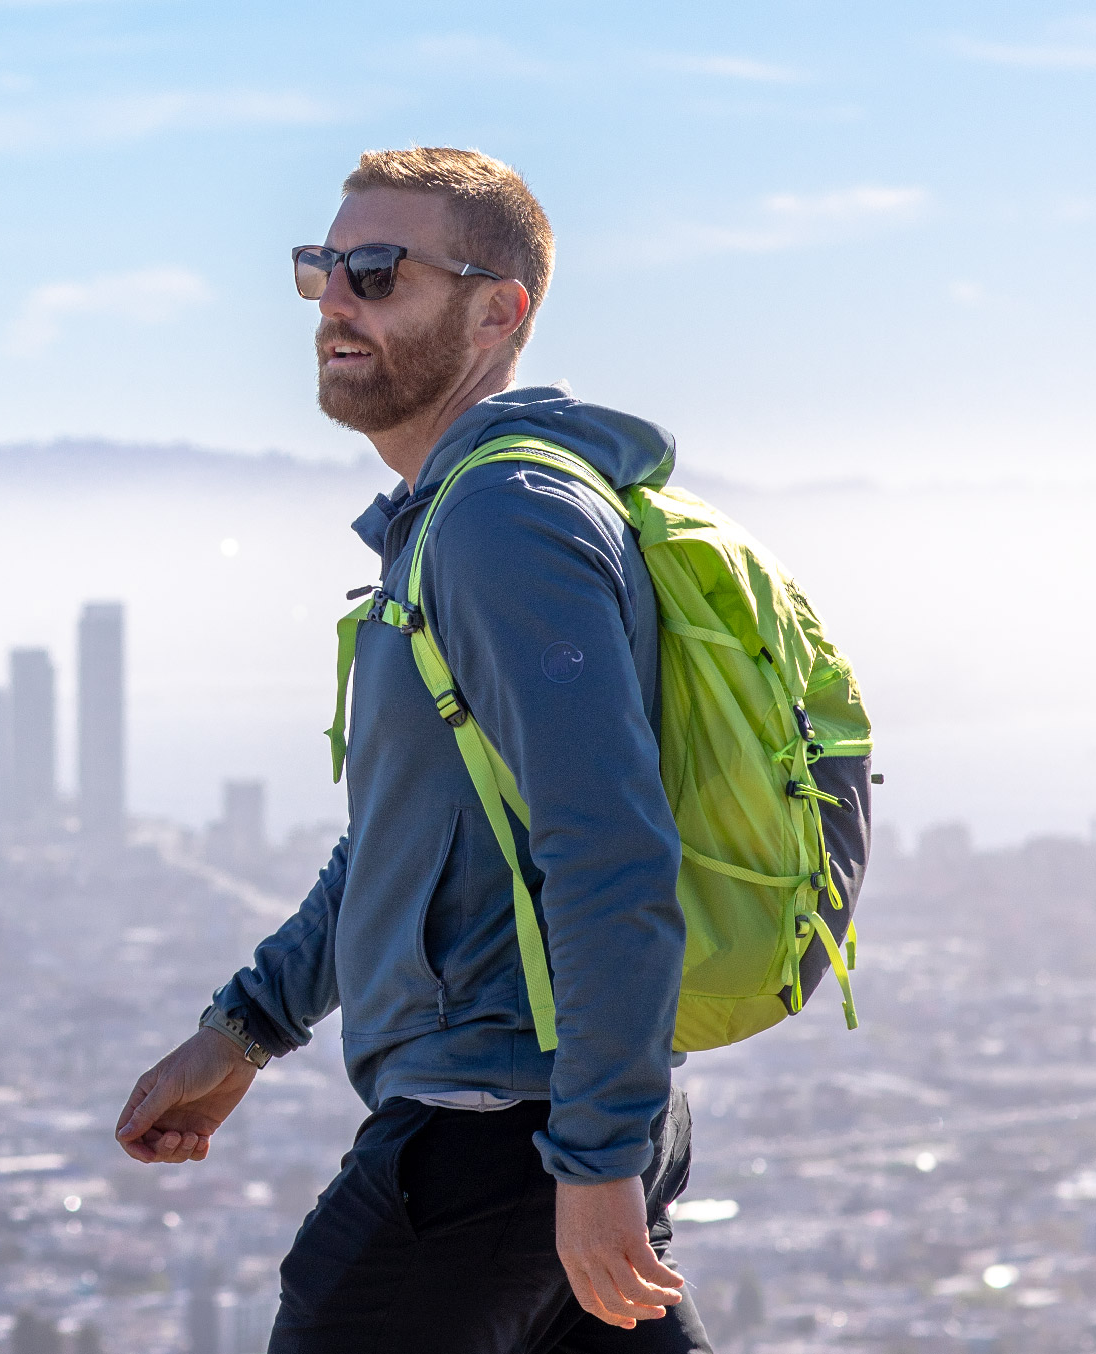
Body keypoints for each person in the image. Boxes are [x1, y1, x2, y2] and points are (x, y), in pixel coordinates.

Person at [110, 147, 714, 1351]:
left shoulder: (506, 522)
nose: (336, 299)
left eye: (378, 272)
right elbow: (403, 844)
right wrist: (242, 1033)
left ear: (501, 311)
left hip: (495, 1136)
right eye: (321, 270)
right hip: (545, 1132)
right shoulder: (455, 520)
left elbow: (609, 849)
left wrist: (589, 1163)